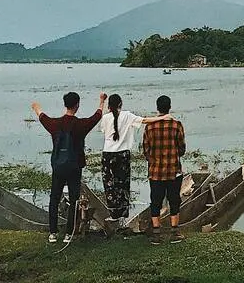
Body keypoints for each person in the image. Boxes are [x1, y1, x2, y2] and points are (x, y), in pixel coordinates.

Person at [31, 91, 106, 244]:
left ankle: (52, 233)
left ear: (65, 105)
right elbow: (96, 117)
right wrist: (101, 101)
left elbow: (42, 117)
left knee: (54, 198)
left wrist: (36, 107)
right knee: (74, 200)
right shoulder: (80, 125)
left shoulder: (55, 124)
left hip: (58, 166)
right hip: (74, 166)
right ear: (77, 105)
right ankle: (68, 234)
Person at [99, 94, 175, 225]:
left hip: (107, 155)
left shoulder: (105, 118)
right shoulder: (127, 115)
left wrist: (102, 102)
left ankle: (113, 213)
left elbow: (105, 130)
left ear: (109, 106)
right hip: (122, 154)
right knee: (123, 184)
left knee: (109, 185)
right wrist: (163, 117)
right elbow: (145, 120)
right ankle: (122, 214)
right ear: (121, 104)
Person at [142, 94, 186, 245]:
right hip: (173, 171)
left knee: (155, 202)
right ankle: (175, 233)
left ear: (157, 108)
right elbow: (182, 149)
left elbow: (146, 150)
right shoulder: (176, 125)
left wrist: (154, 161)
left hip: (155, 172)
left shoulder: (149, 126)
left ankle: (156, 235)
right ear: (169, 107)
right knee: (174, 201)